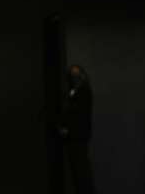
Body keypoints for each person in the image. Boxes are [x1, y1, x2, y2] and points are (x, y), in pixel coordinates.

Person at [59, 65, 94, 194]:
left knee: (80, 171)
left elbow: (75, 114)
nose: (74, 79)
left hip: (77, 136)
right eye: (72, 76)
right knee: (79, 171)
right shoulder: (77, 92)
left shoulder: (82, 92)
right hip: (77, 136)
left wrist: (67, 129)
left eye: (76, 75)